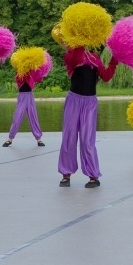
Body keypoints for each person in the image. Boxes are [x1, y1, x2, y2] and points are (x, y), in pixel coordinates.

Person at [57, 45, 117, 188]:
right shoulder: (72, 56)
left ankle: (93, 176)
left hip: (89, 103)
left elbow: (106, 76)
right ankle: (66, 174)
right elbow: (74, 57)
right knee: (69, 138)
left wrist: (115, 59)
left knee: (87, 140)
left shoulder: (95, 58)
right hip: (73, 101)